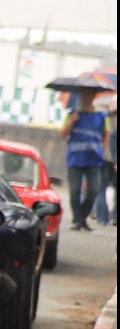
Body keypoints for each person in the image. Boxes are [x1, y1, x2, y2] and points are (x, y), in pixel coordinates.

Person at [61, 88, 111, 231]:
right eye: (85, 95)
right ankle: (78, 219)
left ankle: (82, 217)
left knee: (94, 190)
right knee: (75, 190)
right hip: (75, 158)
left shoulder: (101, 116)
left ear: (94, 96)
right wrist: (72, 122)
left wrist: (102, 148)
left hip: (94, 159)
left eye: (90, 95)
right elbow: (63, 135)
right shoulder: (72, 114)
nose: (87, 98)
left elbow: (106, 133)